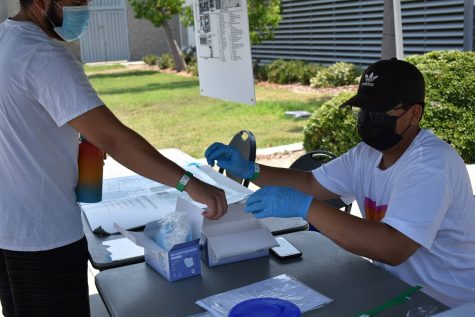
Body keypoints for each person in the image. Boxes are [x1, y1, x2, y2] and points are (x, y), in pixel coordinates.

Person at [0, 0, 227, 316]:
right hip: (45, 236)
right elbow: (113, 138)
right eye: (76, 1)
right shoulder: (43, 55)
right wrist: (189, 183)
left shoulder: (6, 39)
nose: (84, 8)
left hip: (11, 230)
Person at [205, 58, 475, 307]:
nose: (368, 120)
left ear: (414, 114)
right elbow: (312, 183)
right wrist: (251, 170)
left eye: (380, 112)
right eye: (364, 110)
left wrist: (306, 208)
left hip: (445, 303)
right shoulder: (366, 154)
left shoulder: (430, 166)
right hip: (395, 289)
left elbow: (393, 248)